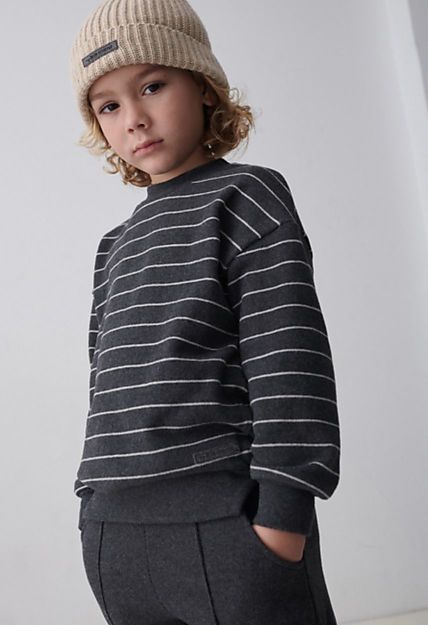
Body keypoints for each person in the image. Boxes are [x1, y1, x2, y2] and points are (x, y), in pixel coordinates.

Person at [69, 1, 341, 624]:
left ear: (204, 86)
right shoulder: (115, 245)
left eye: (152, 86)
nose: (134, 119)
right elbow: (103, 384)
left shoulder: (246, 197)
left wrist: (284, 515)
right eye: (108, 106)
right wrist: (90, 507)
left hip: (227, 521)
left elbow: (289, 359)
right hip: (114, 534)